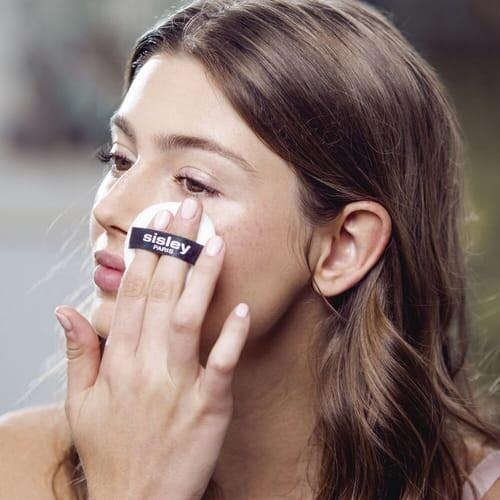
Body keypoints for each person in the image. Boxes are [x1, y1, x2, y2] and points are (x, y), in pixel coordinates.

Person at [1, 0, 499, 498]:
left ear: (343, 247)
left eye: (194, 182)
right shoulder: (15, 468)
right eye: (119, 159)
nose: (110, 208)